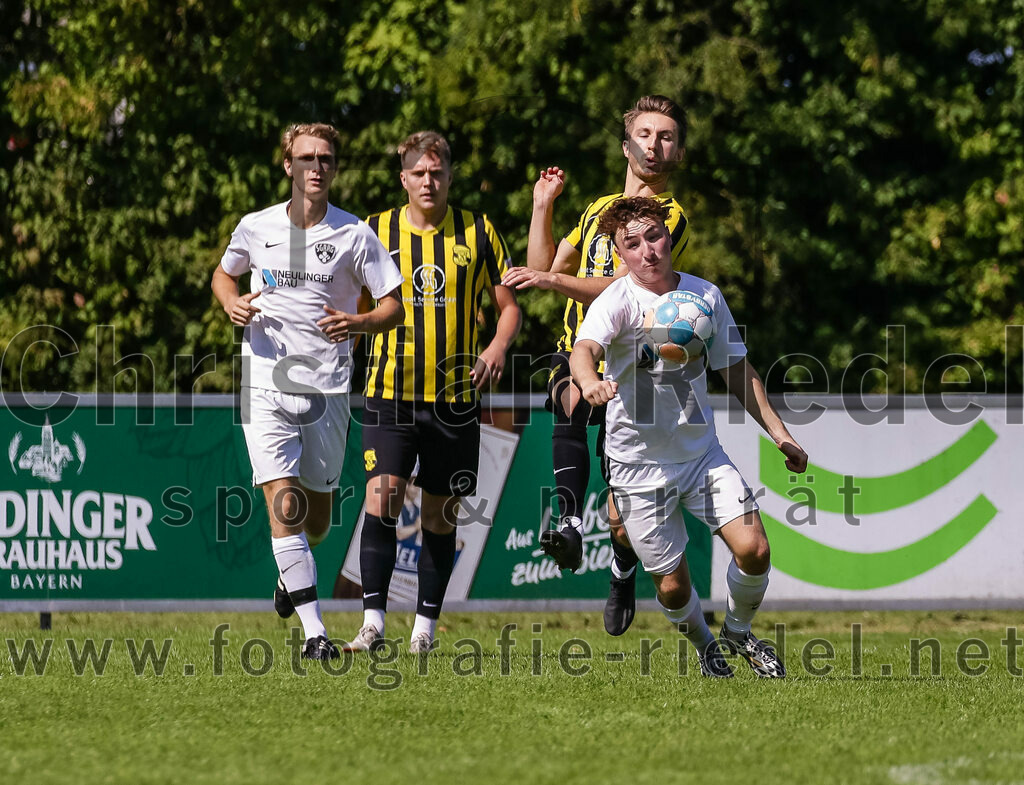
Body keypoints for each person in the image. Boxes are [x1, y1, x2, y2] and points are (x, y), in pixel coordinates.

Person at [571, 196, 807, 677]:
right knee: (674, 588)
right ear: (620, 254)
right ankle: (705, 647)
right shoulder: (615, 302)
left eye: (653, 236)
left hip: (701, 456)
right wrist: (589, 380)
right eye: (632, 244)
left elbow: (738, 371)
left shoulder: (705, 297)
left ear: (668, 236)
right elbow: (584, 349)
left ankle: (738, 633)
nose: (647, 251)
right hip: (637, 467)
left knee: (755, 550)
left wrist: (782, 436)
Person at [212, 123, 404, 661]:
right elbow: (223, 277)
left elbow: (393, 306)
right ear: (287, 166)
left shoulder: (356, 234)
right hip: (265, 382)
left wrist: (359, 322)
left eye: (325, 158)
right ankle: (315, 633)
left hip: (328, 389)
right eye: (305, 158)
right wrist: (230, 301)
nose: (316, 167)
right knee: (284, 500)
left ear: (335, 168)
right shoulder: (255, 227)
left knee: (315, 520)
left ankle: (290, 574)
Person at [502, 95, 691, 636]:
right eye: (647, 134)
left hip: (636, 366)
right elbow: (540, 267)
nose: (656, 145)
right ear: (626, 144)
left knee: (623, 515)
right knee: (569, 401)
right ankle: (564, 519)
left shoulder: (668, 216)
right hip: (578, 347)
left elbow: (628, 285)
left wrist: (554, 282)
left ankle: (621, 569)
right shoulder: (595, 210)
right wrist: (542, 205)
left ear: (677, 151)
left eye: (668, 136)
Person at [345, 131, 521, 654]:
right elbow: (349, 297)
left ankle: (424, 629)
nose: (428, 180)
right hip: (389, 391)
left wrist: (497, 347)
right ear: (403, 178)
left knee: (439, 516)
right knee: (383, 498)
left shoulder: (479, 230)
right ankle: (372, 624)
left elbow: (508, 305)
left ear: (449, 175)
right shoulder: (373, 230)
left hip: (454, 399)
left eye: (437, 171)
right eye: (418, 173)